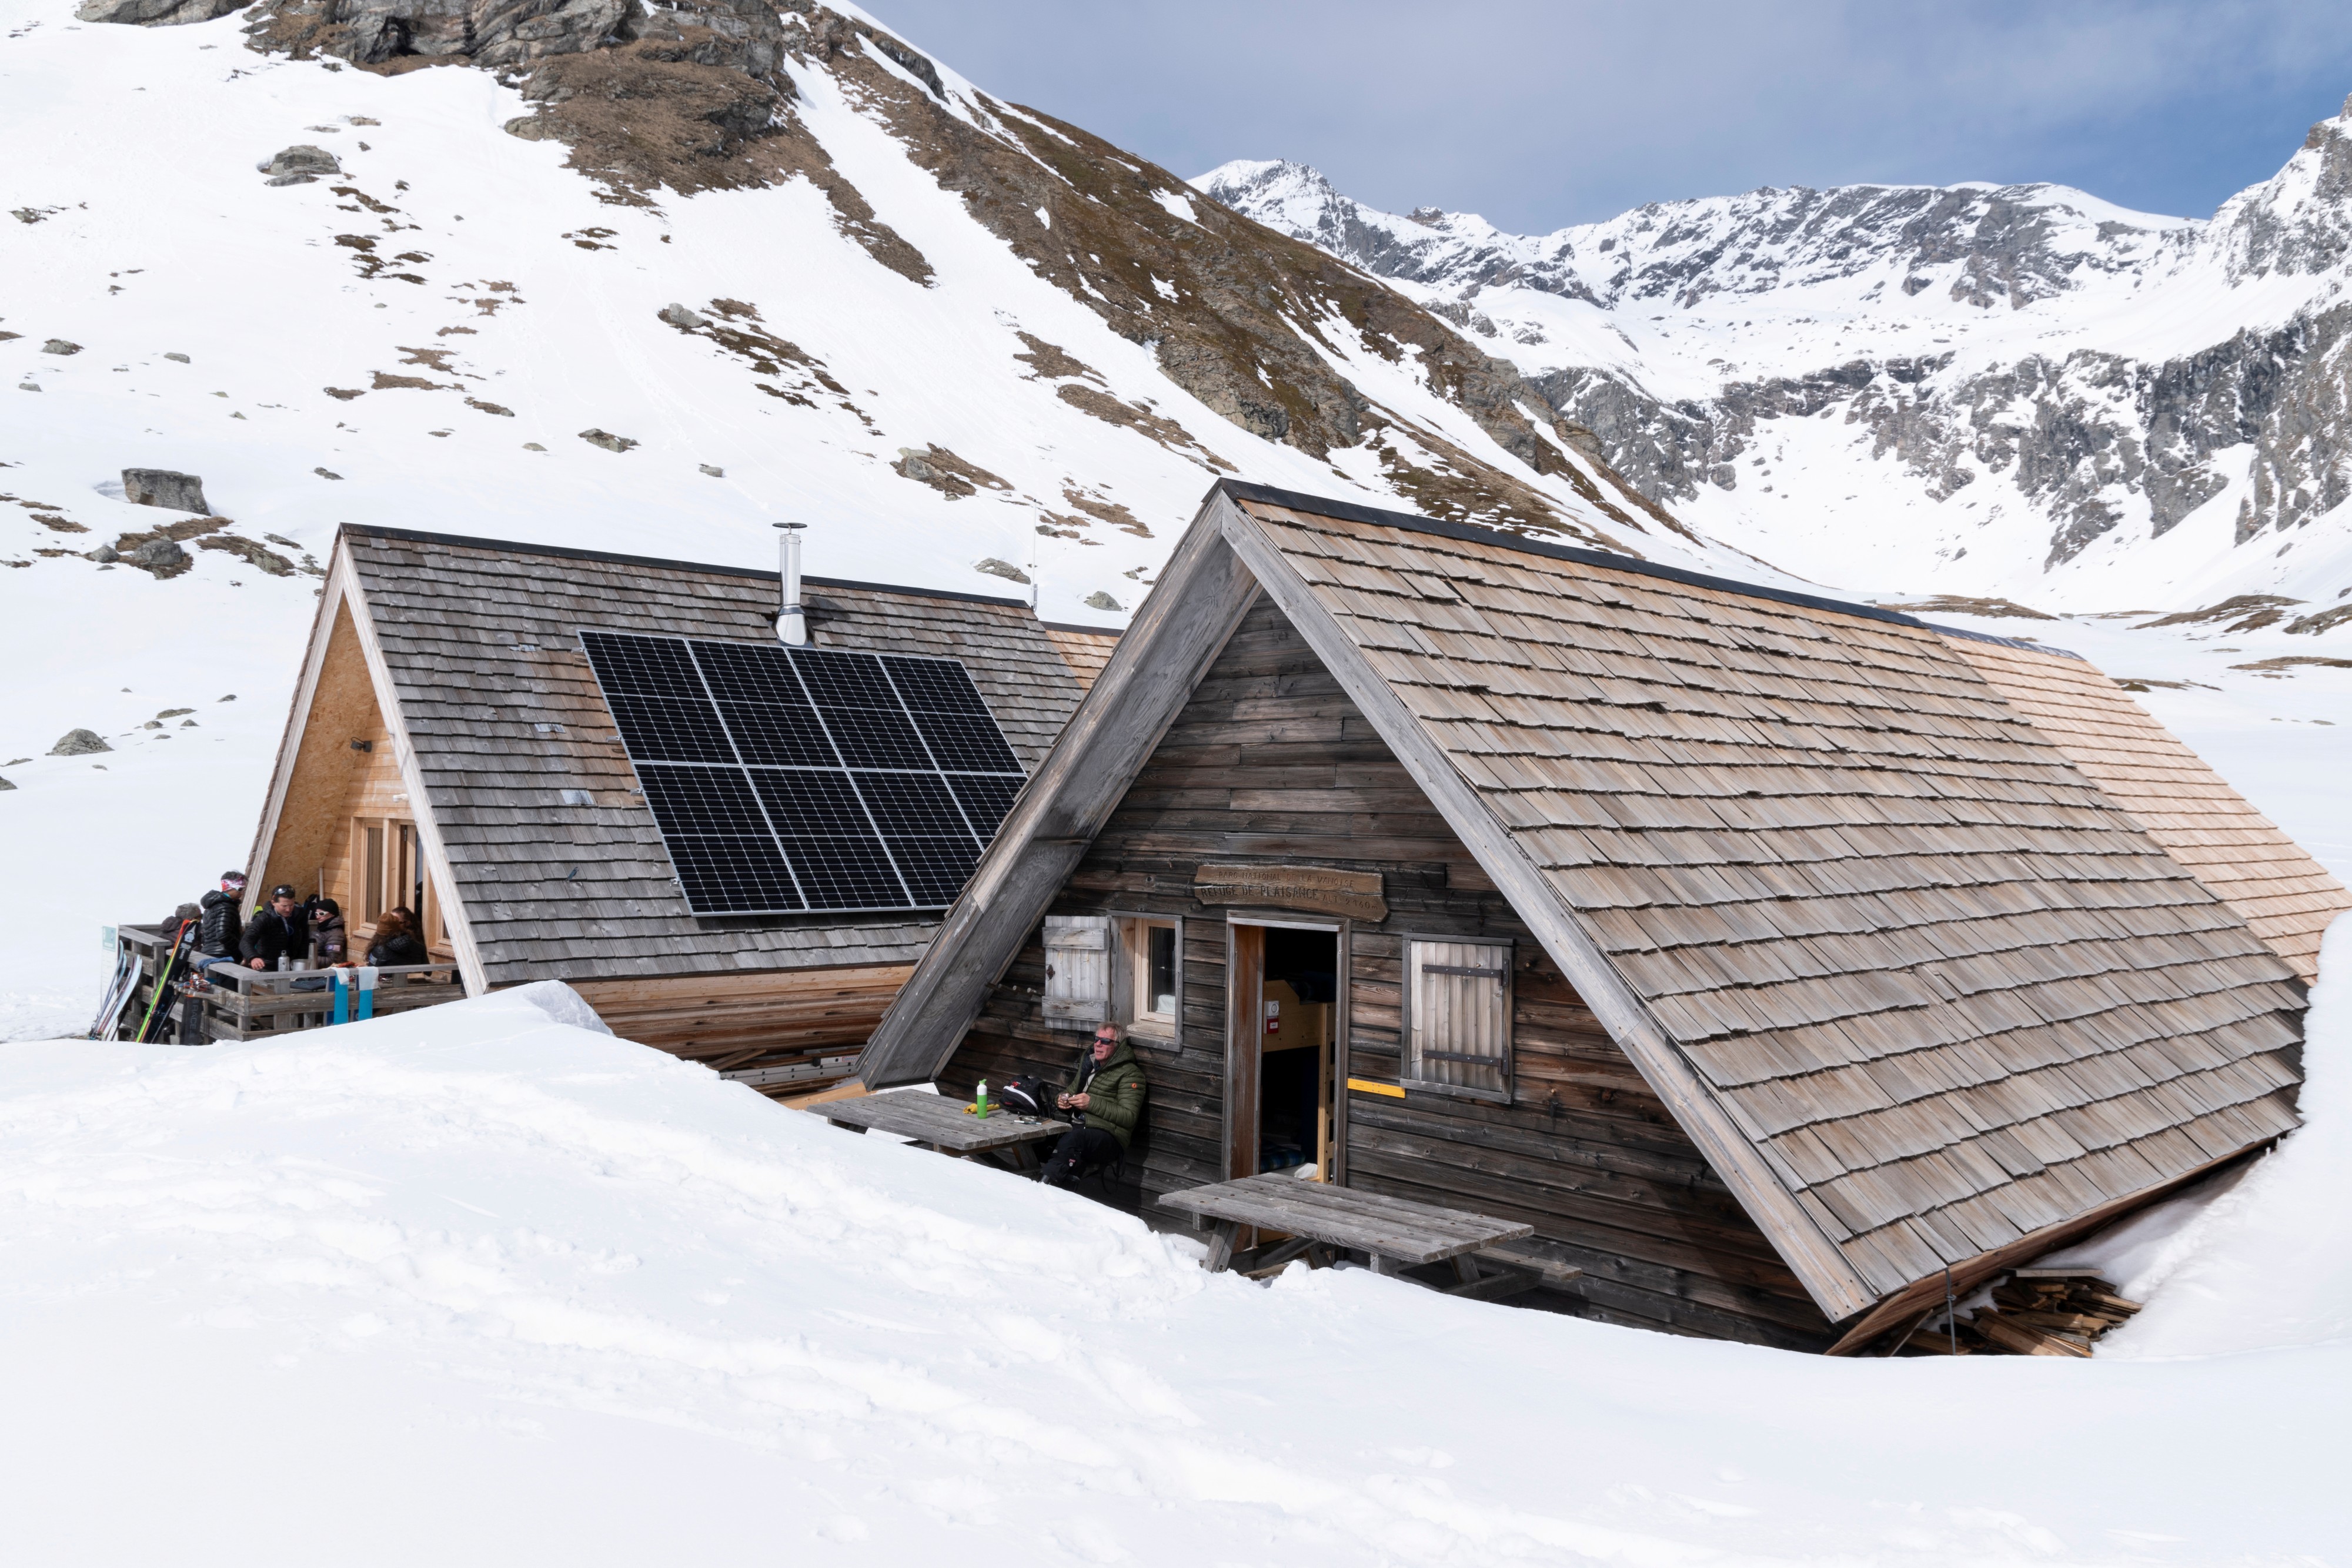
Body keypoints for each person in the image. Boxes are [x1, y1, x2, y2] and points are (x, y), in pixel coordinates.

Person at [1038, 1024, 1146, 1188]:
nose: (1098, 1044)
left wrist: (1091, 1104)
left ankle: (1043, 1188)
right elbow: (1071, 1091)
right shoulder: (1090, 1063)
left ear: (1118, 1046)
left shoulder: (1130, 1073)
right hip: (1080, 1127)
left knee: (1074, 1139)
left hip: (1110, 1136)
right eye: (1096, 1039)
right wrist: (1061, 1100)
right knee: (1041, 1135)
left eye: (1105, 1041)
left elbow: (1129, 1116)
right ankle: (1053, 1186)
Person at [191, 871, 249, 978]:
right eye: (240, 889)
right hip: (224, 957)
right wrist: (242, 950)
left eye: (244, 890)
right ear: (229, 888)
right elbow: (223, 935)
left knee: (214, 985)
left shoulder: (212, 906)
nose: (242, 893)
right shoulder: (227, 907)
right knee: (228, 988)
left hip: (209, 954)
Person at [240, 885, 308, 970]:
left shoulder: (300, 914)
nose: (288, 909)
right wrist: (253, 957)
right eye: (284, 906)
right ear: (273, 903)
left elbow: (305, 939)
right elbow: (246, 940)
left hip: (294, 964)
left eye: (291, 905)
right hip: (267, 965)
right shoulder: (264, 918)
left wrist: (302, 960)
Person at [365, 906, 429, 967]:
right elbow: (428, 970)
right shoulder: (417, 944)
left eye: (396, 921)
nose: (390, 922)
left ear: (407, 923)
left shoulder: (381, 949)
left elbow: (372, 970)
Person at [306, 897, 348, 966]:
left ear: (332, 914)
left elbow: (333, 961)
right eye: (316, 914)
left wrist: (308, 959)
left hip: (320, 970)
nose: (318, 917)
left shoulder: (336, 934)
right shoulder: (322, 928)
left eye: (322, 914)